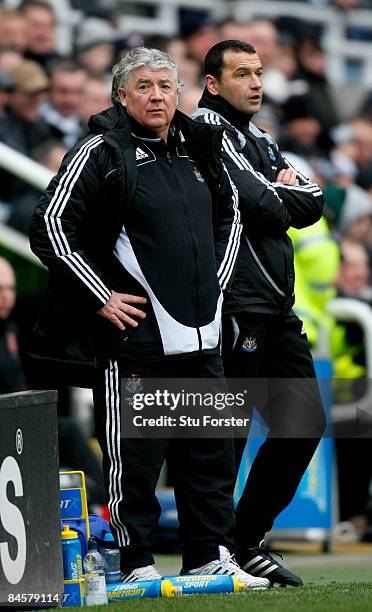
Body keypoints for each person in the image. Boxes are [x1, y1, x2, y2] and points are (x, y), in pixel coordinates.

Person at [29, 47, 269, 588]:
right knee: (135, 463)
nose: (157, 95)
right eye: (143, 86)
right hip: (137, 341)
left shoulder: (203, 146)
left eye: (165, 85)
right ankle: (133, 563)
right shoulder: (100, 150)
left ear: (181, 92)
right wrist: (102, 295)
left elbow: (232, 214)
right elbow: (50, 225)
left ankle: (210, 556)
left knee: (211, 459)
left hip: (204, 336)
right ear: (121, 95)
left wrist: (216, 285)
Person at [192, 40, 325, 586]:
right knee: (225, 432)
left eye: (259, 72)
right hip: (236, 302)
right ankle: (214, 551)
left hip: (276, 306)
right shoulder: (207, 130)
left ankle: (244, 541)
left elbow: (313, 202)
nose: (255, 82)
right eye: (241, 73)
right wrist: (281, 193)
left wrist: (283, 194)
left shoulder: (262, 137)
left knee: (305, 422)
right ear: (212, 83)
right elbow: (264, 203)